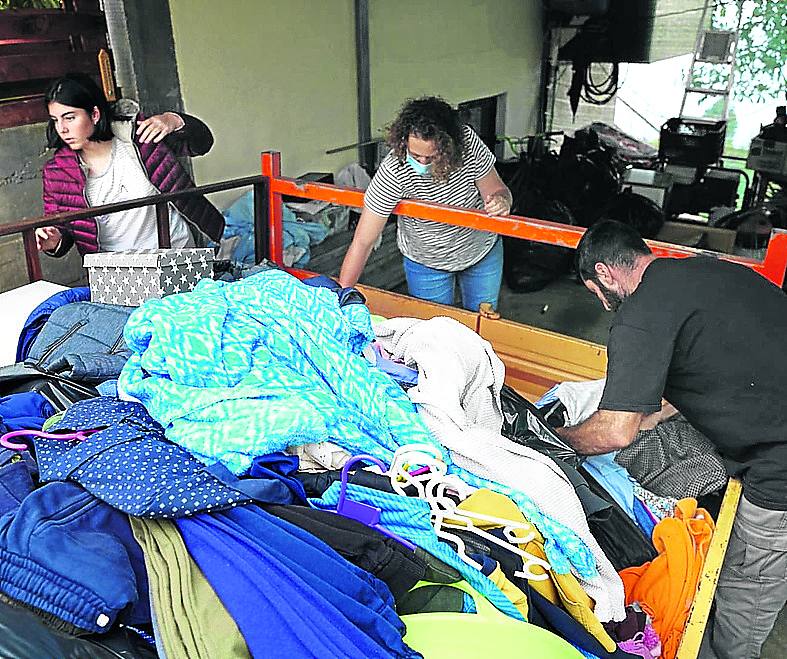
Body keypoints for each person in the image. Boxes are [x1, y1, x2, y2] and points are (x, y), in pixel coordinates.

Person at [556, 220, 787, 659]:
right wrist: (650, 414)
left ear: (605, 275)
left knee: (747, 581)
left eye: (595, 291)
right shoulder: (709, 272)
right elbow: (719, 360)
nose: (603, 305)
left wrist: (557, 440)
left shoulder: (638, 318)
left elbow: (613, 431)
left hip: (779, 464)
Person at [338, 96, 512, 311]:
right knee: (433, 331)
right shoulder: (394, 169)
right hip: (425, 261)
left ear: (450, 147)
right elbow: (363, 241)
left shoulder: (468, 145)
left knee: (484, 320)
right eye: (415, 155)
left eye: (431, 157)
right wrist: (341, 297)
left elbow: (497, 190)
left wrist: (501, 201)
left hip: (480, 250)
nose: (421, 163)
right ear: (403, 143)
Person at [38, 72, 224, 257]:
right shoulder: (57, 172)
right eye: (55, 120)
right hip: (118, 274)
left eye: (70, 117)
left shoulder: (141, 137)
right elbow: (63, 231)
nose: (61, 129)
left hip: (176, 258)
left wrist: (173, 120)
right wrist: (53, 241)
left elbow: (203, 143)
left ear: (94, 114)